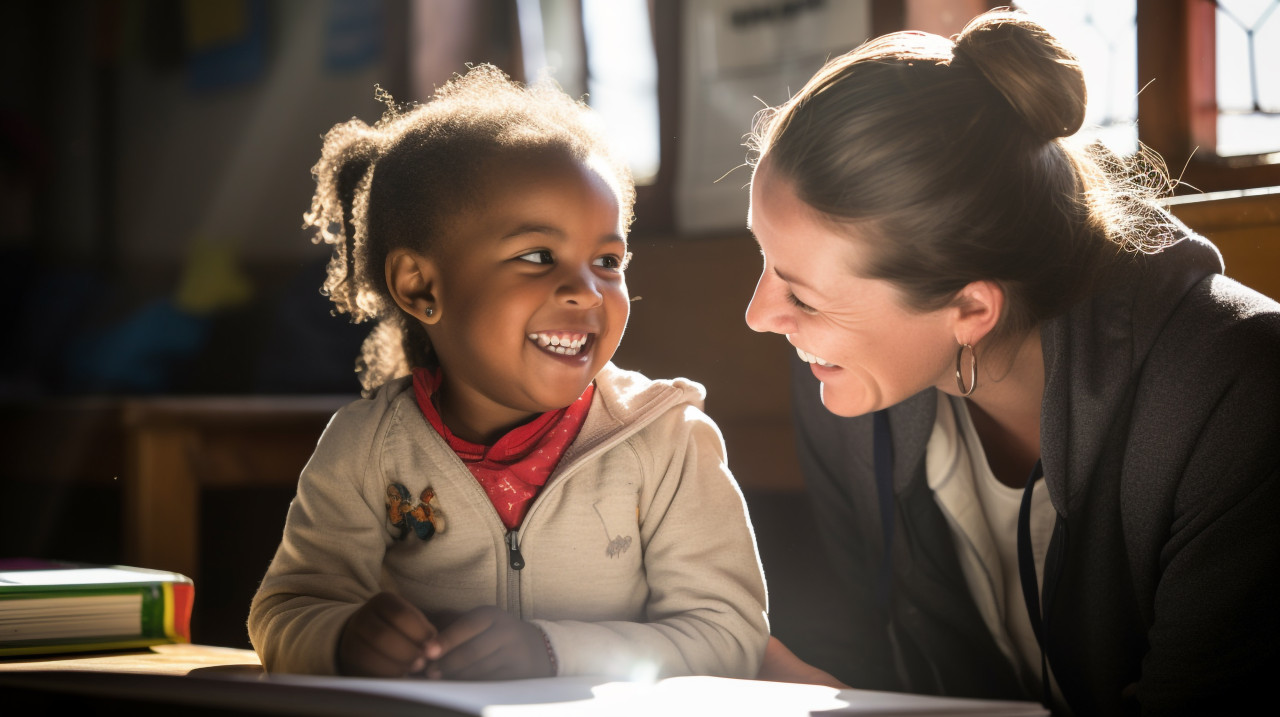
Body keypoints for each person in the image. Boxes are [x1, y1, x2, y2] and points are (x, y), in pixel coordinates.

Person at [743, 8, 1279, 716]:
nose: (759, 316)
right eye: (765, 261)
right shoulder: (845, 383)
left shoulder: (1236, 397)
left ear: (971, 310)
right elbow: (871, 663)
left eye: (802, 295)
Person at [248, 65, 768, 681]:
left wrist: (550, 651)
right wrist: (342, 639)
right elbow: (285, 610)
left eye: (608, 260)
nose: (585, 290)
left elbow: (728, 635)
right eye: (537, 256)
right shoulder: (367, 449)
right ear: (420, 286)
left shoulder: (668, 440)